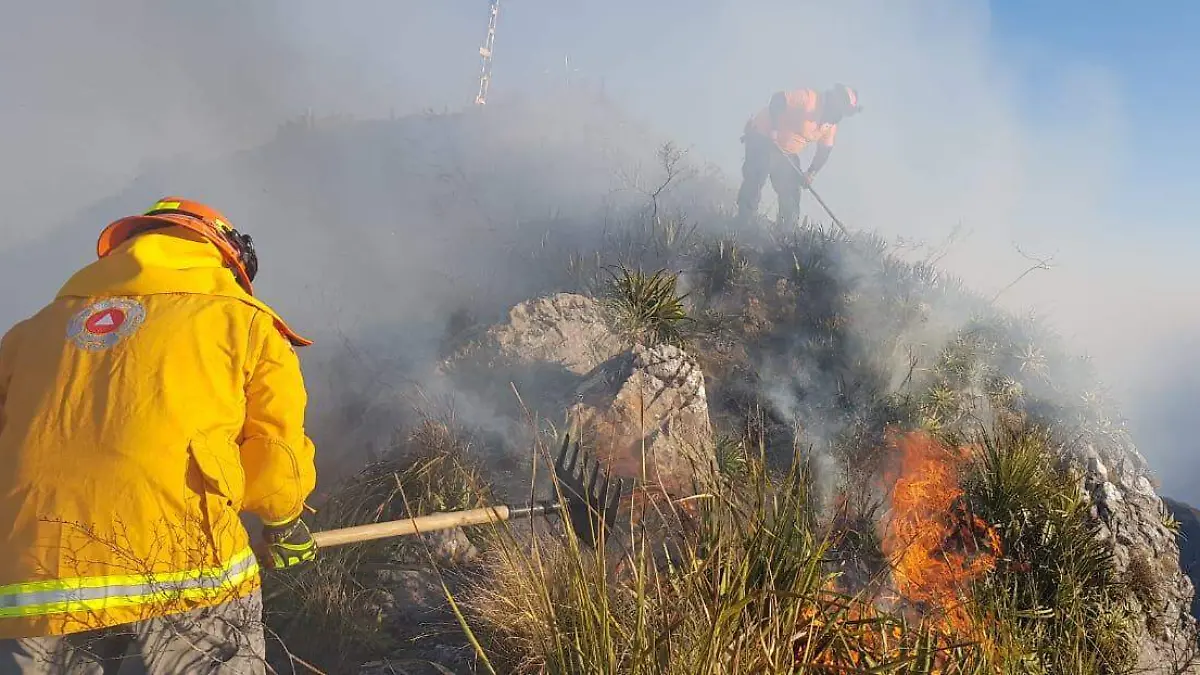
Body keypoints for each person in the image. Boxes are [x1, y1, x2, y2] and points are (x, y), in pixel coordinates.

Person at [0, 198, 319, 673]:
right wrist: (285, 527)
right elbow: (276, 460)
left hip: (32, 594)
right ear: (226, 257)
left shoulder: (28, 334)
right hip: (183, 580)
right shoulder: (245, 322)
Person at [736, 83, 861, 227]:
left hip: (787, 152)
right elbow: (778, 99)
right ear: (833, 100)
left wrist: (811, 173)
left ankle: (786, 233)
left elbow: (824, 150)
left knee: (791, 191)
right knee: (757, 174)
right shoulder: (808, 99)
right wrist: (774, 130)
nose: (840, 114)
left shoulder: (830, 125)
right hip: (764, 137)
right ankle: (743, 222)